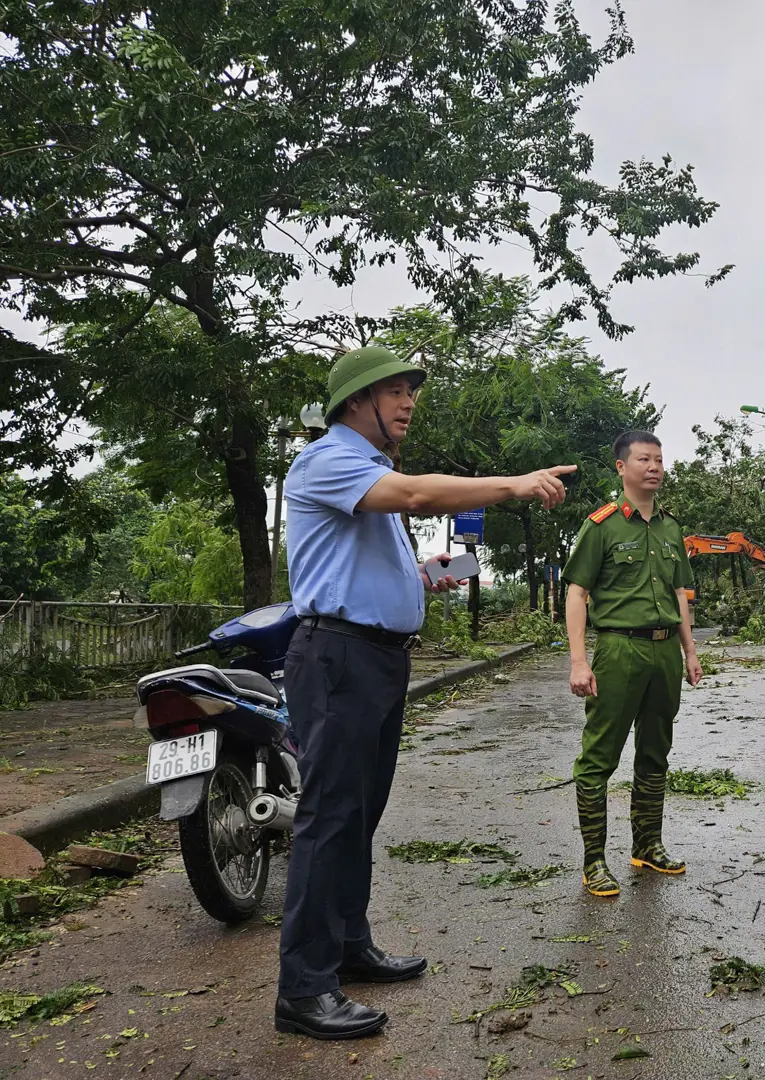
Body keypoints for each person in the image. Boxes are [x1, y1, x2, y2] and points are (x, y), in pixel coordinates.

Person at [277, 345, 576, 1040]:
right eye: (394, 389)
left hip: (375, 659)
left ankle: (348, 945)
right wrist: (513, 485)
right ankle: (304, 988)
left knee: (360, 814)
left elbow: (366, 556)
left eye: (412, 389)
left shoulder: (369, 472)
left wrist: (421, 572)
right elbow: (415, 496)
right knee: (329, 818)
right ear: (356, 402)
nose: (409, 400)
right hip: (338, 656)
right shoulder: (330, 459)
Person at [562, 431, 704, 898]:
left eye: (660, 459)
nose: (654, 467)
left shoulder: (671, 529)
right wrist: (579, 661)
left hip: (664, 651)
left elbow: (681, 596)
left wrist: (689, 651)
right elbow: (577, 593)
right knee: (599, 756)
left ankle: (647, 845)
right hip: (619, 649)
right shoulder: (601, 525)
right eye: (644, 459)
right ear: (622, 467)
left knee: (655, 750)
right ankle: (594, 861)